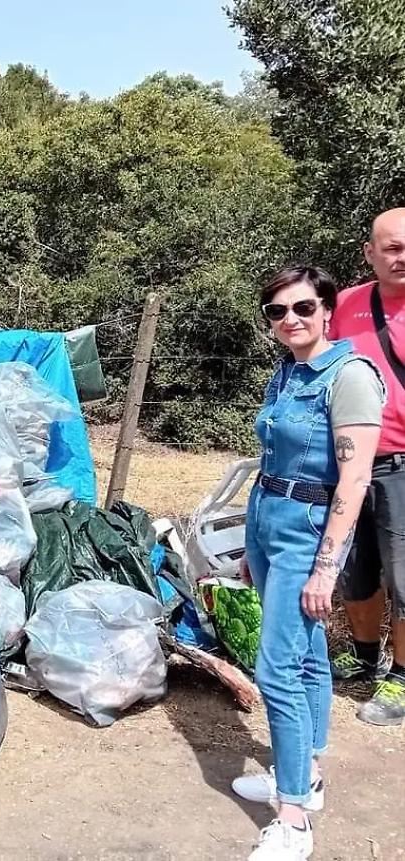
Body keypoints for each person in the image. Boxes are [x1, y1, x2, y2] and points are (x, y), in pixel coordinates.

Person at [232, 266, 384, 861]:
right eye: (276, 311)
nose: (289, 319)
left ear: (327, 310)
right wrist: (251, 543)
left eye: (301, 307)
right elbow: (268, 463)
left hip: (309, 535)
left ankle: (292, 817)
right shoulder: (288, 373)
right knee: (308, 651)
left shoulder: (349, 377)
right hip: (269, 525)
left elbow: (354, 478)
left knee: (275, 671)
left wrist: (326, 569)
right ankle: (309, 774)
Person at [328, 208, 405, 727]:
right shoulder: (347, 305)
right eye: (394, 247)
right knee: (353, 571)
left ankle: (400, 679)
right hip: (348, 465)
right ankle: (363, 657)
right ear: (370, 252)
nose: (403, 257)